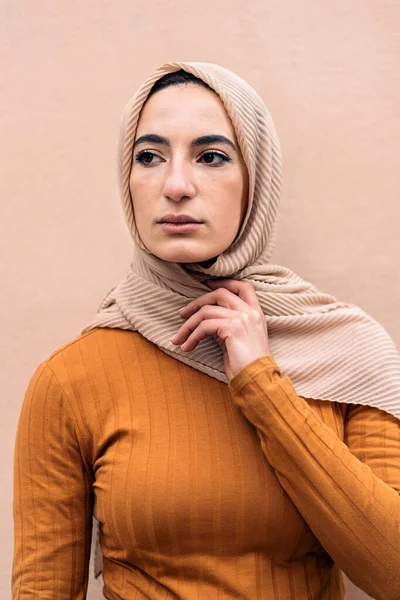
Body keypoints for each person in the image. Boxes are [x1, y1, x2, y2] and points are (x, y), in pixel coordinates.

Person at [12, 61, 400, 600]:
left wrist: (263, 384)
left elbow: (393, 572)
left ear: (257, 178)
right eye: (148, 157)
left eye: (211, 156)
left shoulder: (345, 352)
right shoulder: (71, 380)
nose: (175, 185)